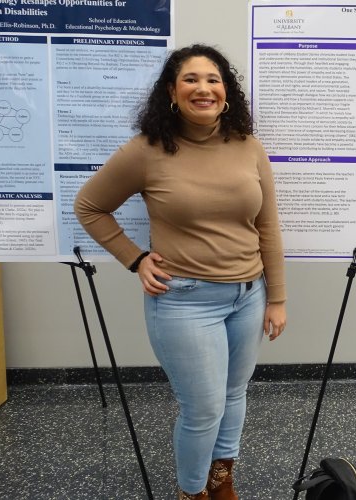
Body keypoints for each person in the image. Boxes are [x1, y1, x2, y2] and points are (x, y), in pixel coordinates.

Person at [74, 44, 287, 500]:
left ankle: (221, 481)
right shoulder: (146, 151)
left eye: (212, 79)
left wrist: (278, 298)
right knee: (203, 409)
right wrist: (135, 258)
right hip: (184, 301)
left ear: (226, 91)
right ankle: (191, 493)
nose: (203, 88)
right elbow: (90, 207)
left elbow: (267, 225)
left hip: (248, 296)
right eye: (191, 79)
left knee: (233, 397)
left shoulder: (248, 147)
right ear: (172, 91)